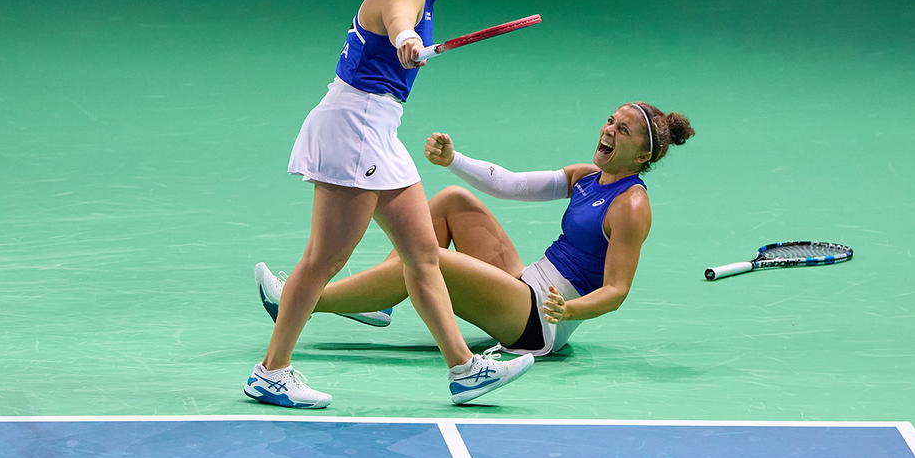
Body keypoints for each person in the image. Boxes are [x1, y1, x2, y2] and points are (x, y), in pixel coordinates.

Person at [243, 0, 534, 409]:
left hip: (377, 132)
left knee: (423, 256)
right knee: (321, 263)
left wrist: (405, 39)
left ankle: (464, 370)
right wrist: (404, 38)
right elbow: (399, 17)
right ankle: (271, 372)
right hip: (354, 130)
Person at [255, 103, 695, 360]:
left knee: (427, 257)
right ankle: (378, 301)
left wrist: (572, 311)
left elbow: (617, 290)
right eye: (610, 121)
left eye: (623, 130)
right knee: (451, 201)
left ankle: (302, 299)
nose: (608, 130)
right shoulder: (587, 176)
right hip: (525, 282)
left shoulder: (632, 205)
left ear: (641, 157)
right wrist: (455, 161)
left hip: (540, 320)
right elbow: (510, 184)